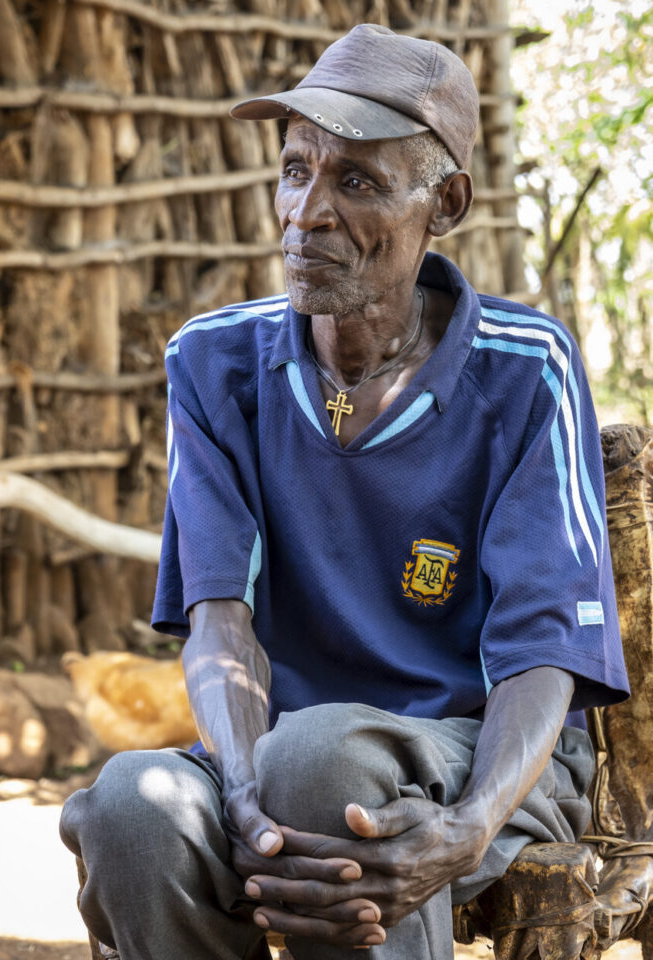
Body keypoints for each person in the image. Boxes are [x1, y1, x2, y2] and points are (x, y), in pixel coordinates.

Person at [60, 24, 629, 960]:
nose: (305, 212)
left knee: (328, 765)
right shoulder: (216, 364)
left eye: (356, 182)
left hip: (483, 759)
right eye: (294, 171)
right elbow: (220, 621)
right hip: (269, 756)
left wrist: (473, 823)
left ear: (444, 203)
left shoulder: (528, 370)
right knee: (131, 810)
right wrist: (243, 799)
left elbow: (542, 653)